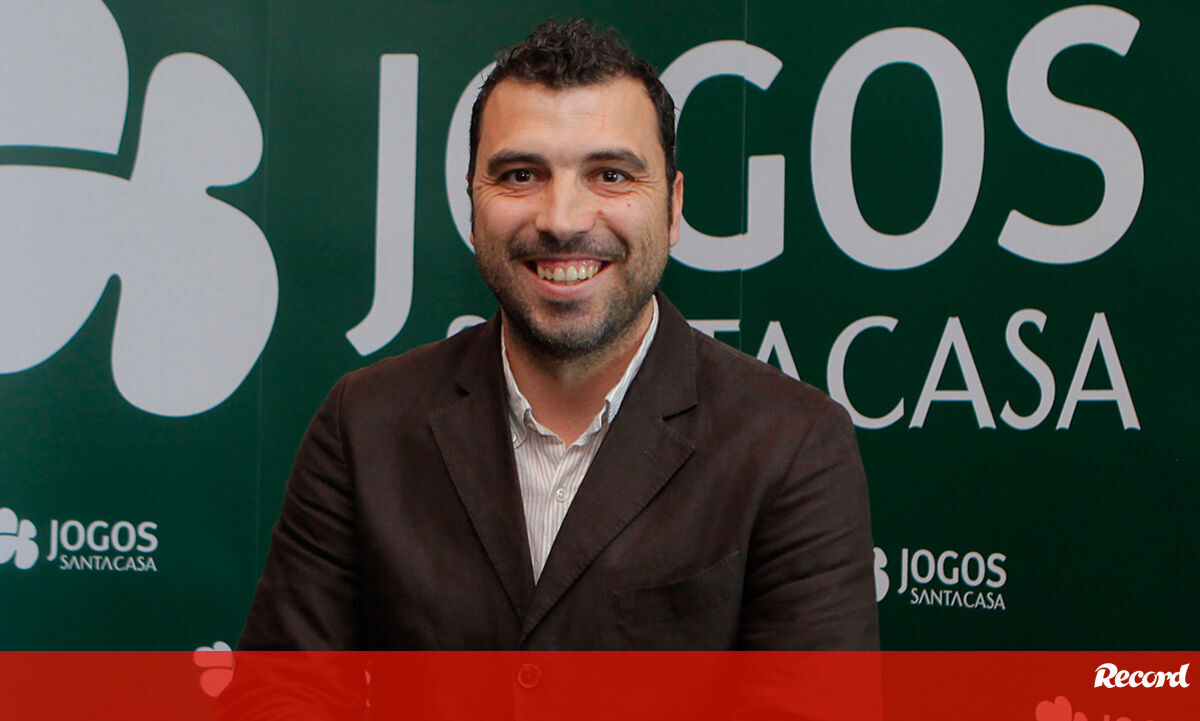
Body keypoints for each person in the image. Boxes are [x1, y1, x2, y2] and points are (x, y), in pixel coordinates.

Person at [235, 18, 877, 654]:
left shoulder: (793, 446)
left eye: (611, 175)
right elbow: (281, 694)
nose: (562, 220)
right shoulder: (363, 425)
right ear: (472, 202)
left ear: (674, 206)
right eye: (521, 175)